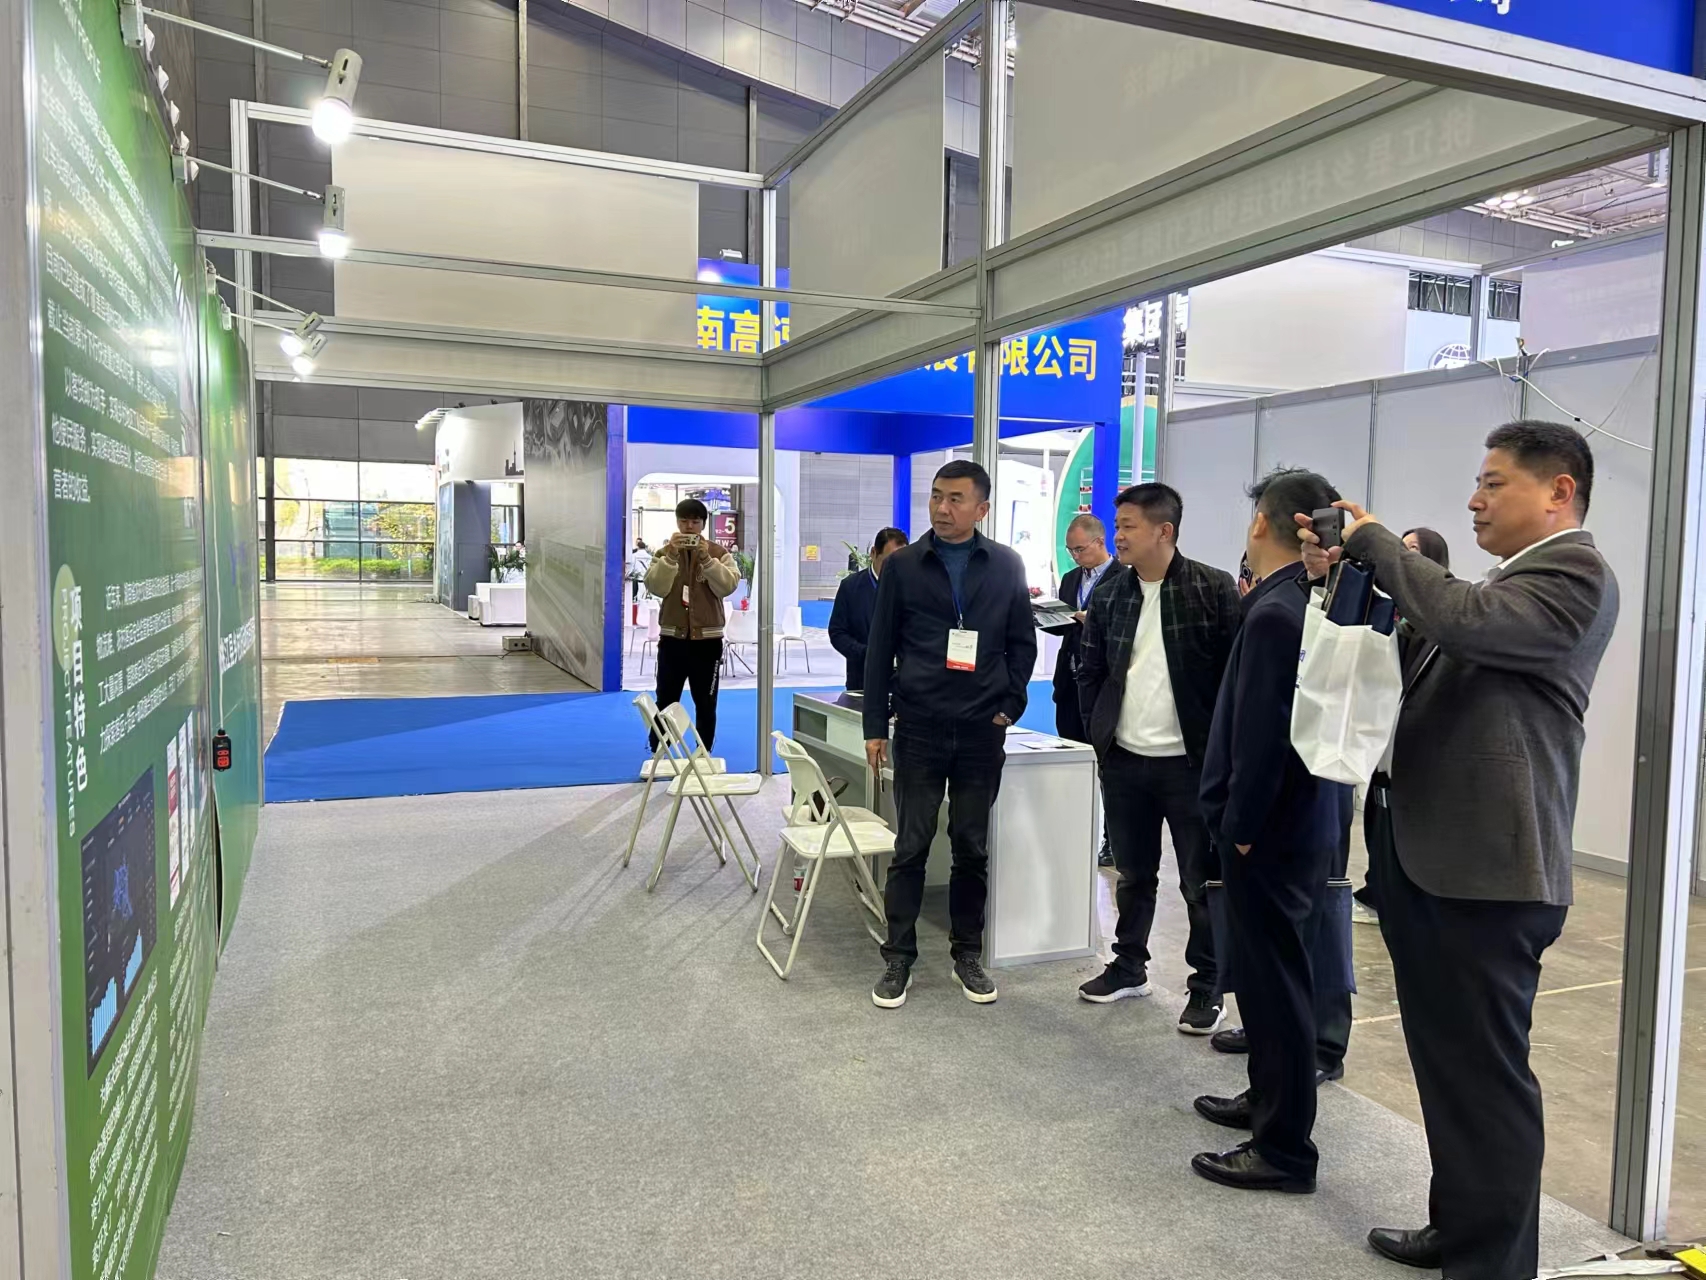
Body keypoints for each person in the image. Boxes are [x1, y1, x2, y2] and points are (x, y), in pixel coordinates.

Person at [1300, 422, 1617, 1280]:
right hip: (1436, 861)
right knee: (1450, 1069)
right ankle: (1462, 1226)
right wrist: (1343, 576)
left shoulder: (1575, 575)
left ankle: (1493, 1265)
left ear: (1559, 491)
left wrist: (1376, 540)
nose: (1474, 501)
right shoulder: (1502, 587)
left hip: (1491, 875)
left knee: (1485, 1081)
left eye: (1494, 483)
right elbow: (1416, 645)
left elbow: (1465, 624)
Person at [1191, 467, 1351, 1195]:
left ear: (1263, 521)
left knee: (1278, 985)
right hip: (1289, 826)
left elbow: (1264, 735)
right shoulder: (1297, 599)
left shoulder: (1279, 611)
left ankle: (1285, 1149)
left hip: (1271, 832)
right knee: (1263, 980)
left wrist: (1242, 825)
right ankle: (1266, 1100)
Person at [863, 461, 1037, 1009]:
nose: (942, 508)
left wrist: (1010, 705)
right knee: (910, 845)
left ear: (982, 508)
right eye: (937, 496)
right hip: (919, 725)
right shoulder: (903, 565)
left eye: (956, 499)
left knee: (971, 847)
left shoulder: (1006, 564)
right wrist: (875, 726)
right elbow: (880, 646)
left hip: (982, 729)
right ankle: (898, 957)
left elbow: (1022, 642)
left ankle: (967, 954)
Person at [1074, 484, 1241, 1032]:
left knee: (1199, 881)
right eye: (1117, 525)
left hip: (1192, 765)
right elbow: (1091, 670)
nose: (1118, 536)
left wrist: (1226, 757)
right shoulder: (1110, 594)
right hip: (1125, 760)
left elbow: (1235, 680)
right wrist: (1101, 733)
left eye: (1128, 526)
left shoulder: (1212, 588)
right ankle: (1129, 966)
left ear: (1164, 531)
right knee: (1132, 874)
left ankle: (1207, 982)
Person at [643, 499, 740, 749]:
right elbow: (656, 587)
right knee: (665, 698)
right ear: (677, 522)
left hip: (708, 642)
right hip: (672, 639)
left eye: (695, 522)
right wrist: (671, 557)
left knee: (706, 701)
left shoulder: (719, 553)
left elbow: (728, 586)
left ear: (703, 525)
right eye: (684, 521)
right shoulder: (663, 553)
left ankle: (704, 753)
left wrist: (707, 560)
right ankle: (658, 749)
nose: (689, 527)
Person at [1054, 515, 1117, 867]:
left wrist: (1089, 619)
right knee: (1071, 760)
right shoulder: (1070, 579)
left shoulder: (1122, 578)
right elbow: (1064, 627)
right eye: (1070, 550)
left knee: (1108, 767)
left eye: (1080, 549)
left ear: (1099, 542)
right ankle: (1074, 832)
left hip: (1102, 686)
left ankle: (1113, 840)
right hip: (1069, 682)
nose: (1076, 556)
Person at [827, 527, 909, 691]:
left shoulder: (912, 587)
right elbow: (837, 633)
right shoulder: (851, 587)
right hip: (863, 680)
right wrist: (867, 653)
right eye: (889, 561)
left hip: (905, 683)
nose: (895, 568)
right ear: (873, 553)